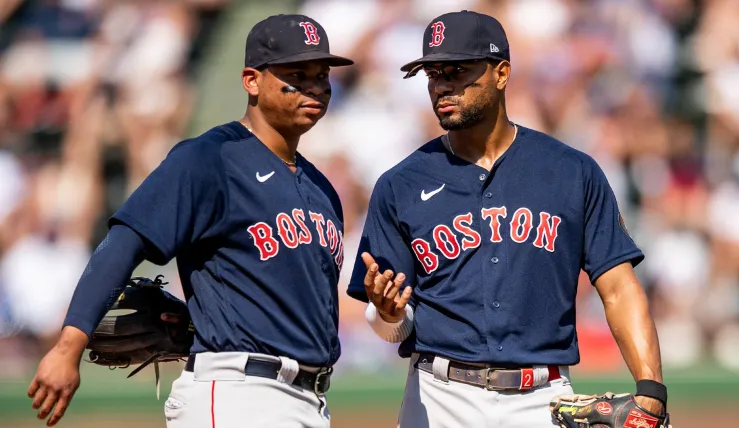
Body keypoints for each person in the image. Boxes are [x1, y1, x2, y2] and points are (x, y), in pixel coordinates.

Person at [27, 14, 353, 428]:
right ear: (252, 81)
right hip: (239, 395)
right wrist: (67, 346)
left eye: (321, 75)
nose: (314, 86)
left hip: (309, 399)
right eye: (296, 73)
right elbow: (125, 242)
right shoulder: (208, 158)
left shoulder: (322, 190)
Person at [347, 10, 668, 428]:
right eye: (433, 73)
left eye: (458, 70)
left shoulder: (571, 171)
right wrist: (387, 313)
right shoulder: (400, 184)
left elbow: (619, 288)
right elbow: (395, 328)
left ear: (501, 73)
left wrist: (652, 390)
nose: (443, 84)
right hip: (439, 396)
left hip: (542, 399)